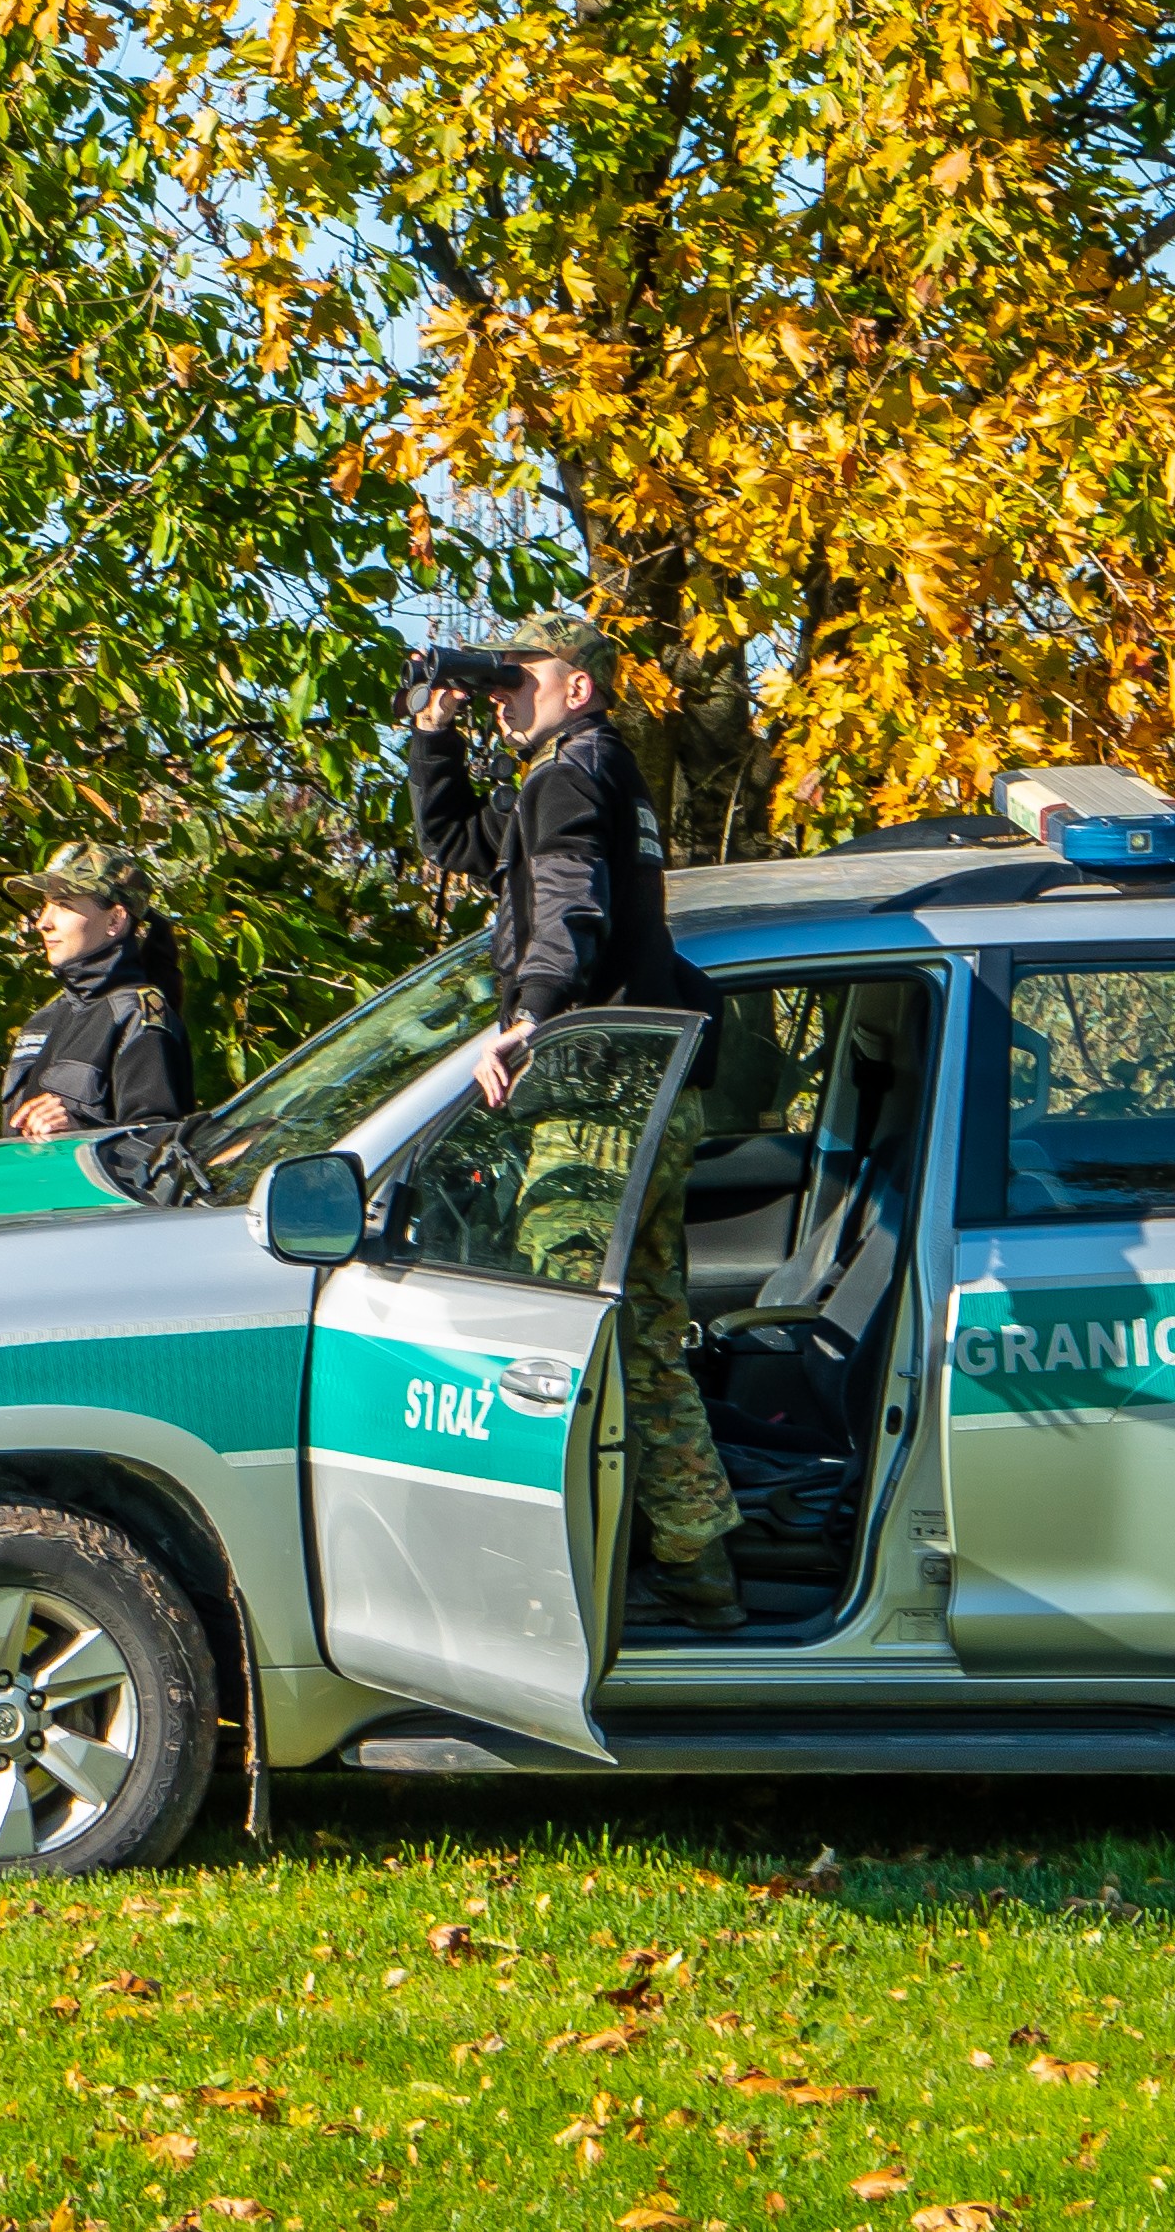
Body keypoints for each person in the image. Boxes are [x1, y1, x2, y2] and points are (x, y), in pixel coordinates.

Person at [407, 613, 745, 1630]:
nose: (504, 693)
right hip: (646, 1092)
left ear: (579, 688)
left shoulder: (570, 776)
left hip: (599, 1095)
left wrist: (527, 1020)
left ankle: (549, 1588)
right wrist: (435, 741)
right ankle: (695, 1567)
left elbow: (564, 907)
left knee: (555, 1354)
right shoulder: (589, 771)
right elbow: (466, 846)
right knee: (638, 1338)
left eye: (520, 679)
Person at [0, 842, 196, 1138]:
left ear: (114, 920)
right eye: (45, 905)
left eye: (64, 905)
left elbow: (160, 1146)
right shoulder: (43, 1020)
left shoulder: (139, 1015)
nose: (43, 922)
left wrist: (79, 1132)